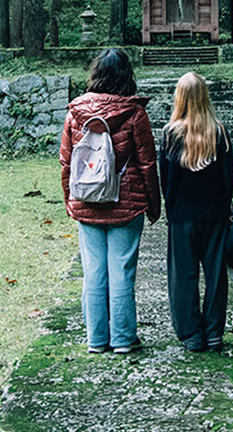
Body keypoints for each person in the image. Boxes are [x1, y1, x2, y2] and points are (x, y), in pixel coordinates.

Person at [59, 48, 160, 355]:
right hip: (125, 204)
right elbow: (147, 164)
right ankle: (123, 338)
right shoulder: (134, 113)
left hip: (87, 200)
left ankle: (96, 338)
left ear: (96, 74)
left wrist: (69, 199)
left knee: (93, 271)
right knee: (121, 270)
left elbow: (66, 162)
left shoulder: (76, 111)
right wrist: (153, 204)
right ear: (126, 75)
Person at [159, 71, 233, 353]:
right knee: (216, 273)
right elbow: (229, 176)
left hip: (182, 215)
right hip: (214, 213)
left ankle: (191, 332)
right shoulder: (219, 132)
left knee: (183, 275)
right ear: (205, 97)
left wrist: (170, 205)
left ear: (179, 98)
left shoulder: (170, 135)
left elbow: (165, 177)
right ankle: (214, 331)